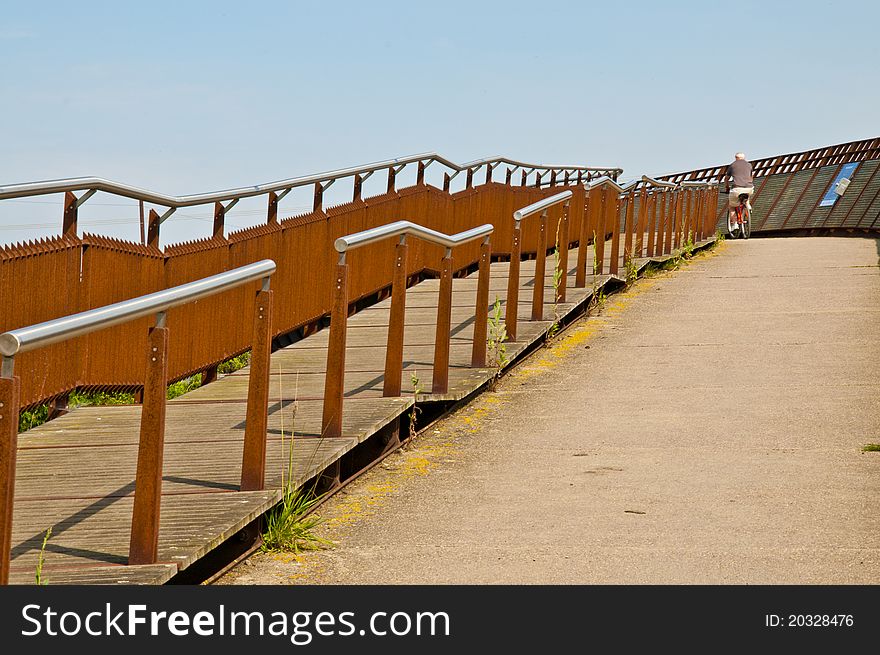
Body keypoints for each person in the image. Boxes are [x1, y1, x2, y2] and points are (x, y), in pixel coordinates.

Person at [724, 152, 754, 225]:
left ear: (736, 158)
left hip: (737, 189)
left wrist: (727, 187)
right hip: (749, 188)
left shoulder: (732, 165)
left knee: (732, 206)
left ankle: (734, 225)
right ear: (744, 158)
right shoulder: (749, 165)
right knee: (747, 195)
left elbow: (726, 179)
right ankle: (748, 205)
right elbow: (751, 176)